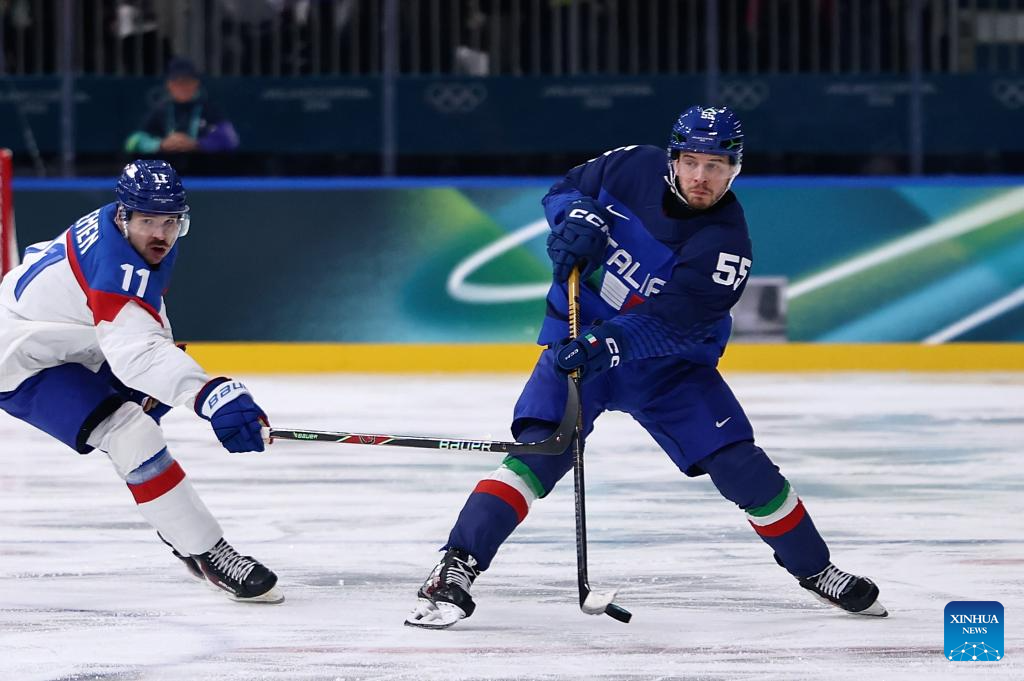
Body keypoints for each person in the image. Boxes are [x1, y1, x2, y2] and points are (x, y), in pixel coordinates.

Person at [406, 105, 886, 628]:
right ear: (673, 159)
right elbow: (565, 189)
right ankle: (455, 566)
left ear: (735, 169)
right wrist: (574, 216)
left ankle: (816, 569)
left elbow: (672, 323)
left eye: (716, 166)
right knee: (539, 453)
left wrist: (607, 342)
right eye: (691, 162)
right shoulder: (631, 165)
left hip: (668, 369)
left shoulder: (726, 245)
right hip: (578, 345)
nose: (701, 177)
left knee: (741, 466)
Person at [0, 160, 281, 603]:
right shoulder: (117, 266)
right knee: (130, 431)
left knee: (148, 403)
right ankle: (207, 552)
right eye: (148, 221)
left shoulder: (126, 234)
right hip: (22, 360)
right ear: (123, 215)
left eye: (170, 222)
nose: (160, 234)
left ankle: (180, 529)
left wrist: (171, 380)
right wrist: (210, 395)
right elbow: (136, 351)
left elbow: (142, 323)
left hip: (63, 335)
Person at [124, 57, 240, 155]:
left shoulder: (209, 109)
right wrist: (160, 145)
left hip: (204, 170)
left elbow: (230, 139)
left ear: (196, 83)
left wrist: (197, 144)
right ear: (169, 85)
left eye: (187, 82)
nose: (183, 87)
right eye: (177, 82)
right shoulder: (160, 110)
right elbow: (133, 142)